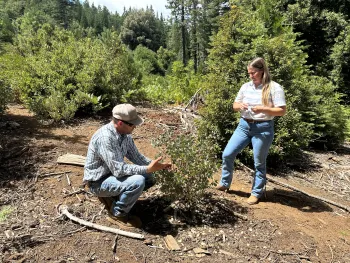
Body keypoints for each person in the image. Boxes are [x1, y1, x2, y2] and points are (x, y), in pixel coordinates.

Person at [83, 103, 171, 228]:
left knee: (151, 175)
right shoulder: (105, 138)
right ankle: (117, 214)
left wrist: (159, 166)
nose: (135, 127)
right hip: (98, 182)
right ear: (120, 123)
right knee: (138, 180)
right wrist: (147, 169)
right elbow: (119, 170)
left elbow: (137, 157)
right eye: (132, 124)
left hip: (112, 176)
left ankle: (115, 197)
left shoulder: (125, 135)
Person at [216, 57, 286, 205]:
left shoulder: (274, 87)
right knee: (227, 154)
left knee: (259, 162)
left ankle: (256, 192)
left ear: (261, 71)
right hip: (244, 126)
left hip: (263, 128)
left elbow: (281, 111)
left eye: (253, 73)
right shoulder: (246, 86)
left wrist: (263, 109)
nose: (250, 76)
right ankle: (224, 183)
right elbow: (234, 105)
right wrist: (240, 105)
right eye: (249, 73)